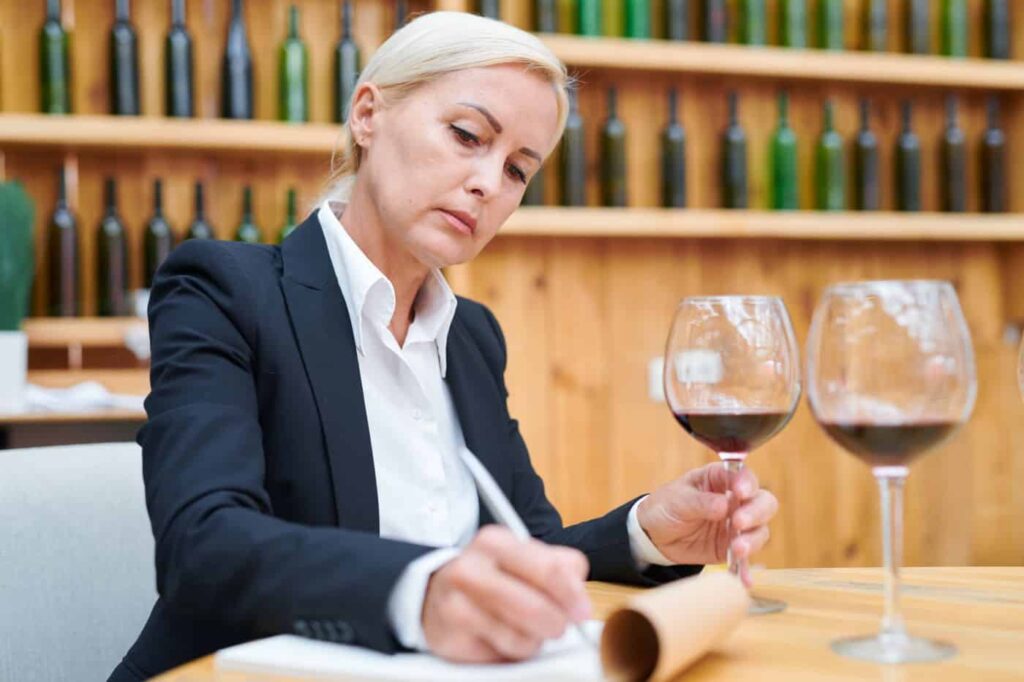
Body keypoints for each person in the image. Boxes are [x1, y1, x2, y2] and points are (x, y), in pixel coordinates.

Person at [109, 12, 777, 681]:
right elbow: (203, 546)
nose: (489, 183)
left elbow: (527, 544)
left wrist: (647, 532)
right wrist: (426, 591)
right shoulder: (225, 292)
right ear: (368, 114)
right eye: (467, 135)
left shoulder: (473, 337)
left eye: (519, 169)